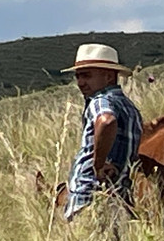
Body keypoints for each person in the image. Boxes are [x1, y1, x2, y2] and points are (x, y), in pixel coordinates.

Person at [61, 43, 143, 223]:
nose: (80, 82)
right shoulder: (131, 108)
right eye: (78, 76)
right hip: (120, 197)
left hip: (89, 196)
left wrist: (97, 165)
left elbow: (106, 121)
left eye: (87, 76)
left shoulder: (100, 101)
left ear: (108, 76)